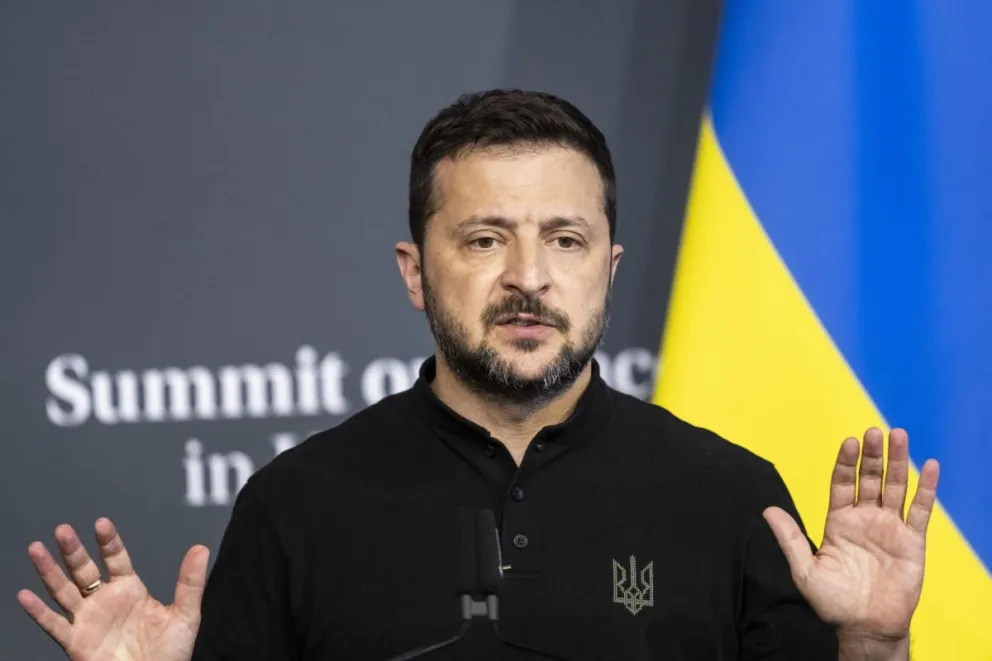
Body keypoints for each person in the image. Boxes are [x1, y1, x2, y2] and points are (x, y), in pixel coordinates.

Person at [18, 89, 939, 661]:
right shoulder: (294, 505)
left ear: (610, 270)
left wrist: (872, 640)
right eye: (485, 239)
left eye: (565, 241)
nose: (529, 277)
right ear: (414, 269)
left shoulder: (733, 496)